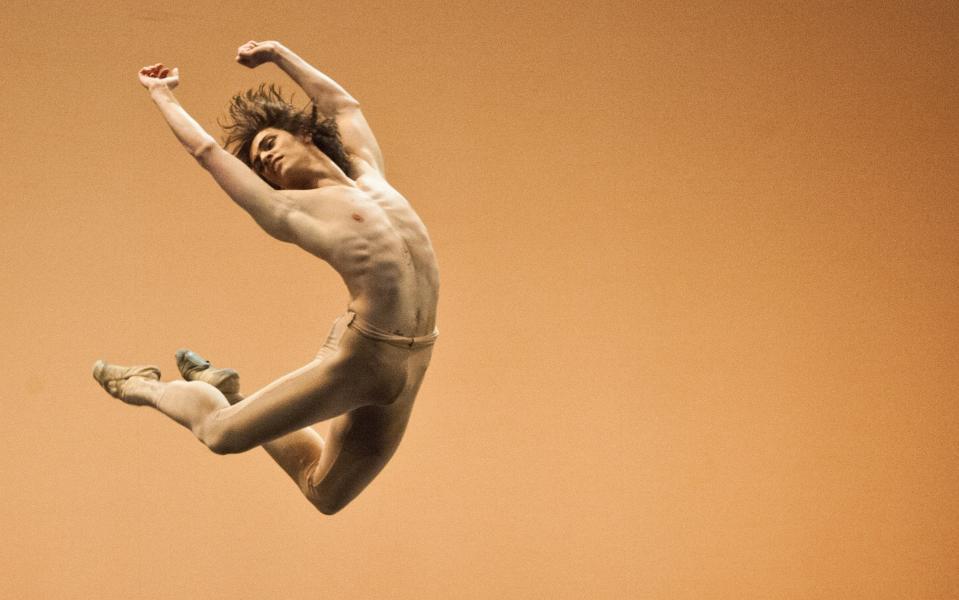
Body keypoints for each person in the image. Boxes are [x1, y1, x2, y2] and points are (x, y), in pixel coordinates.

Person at [93, 41, 439, 515]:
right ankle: (143, 385)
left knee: (326, 494)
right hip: (366, 355)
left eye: (269, 144)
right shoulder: (290, 210)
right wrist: (163, 95)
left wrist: (279, 54)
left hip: (417, 357)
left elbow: (343, 106)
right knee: (219, 433)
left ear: (305, 133)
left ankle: (228, 389)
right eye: (258, 164)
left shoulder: (370, 174)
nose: (265, 162)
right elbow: (205, 150)